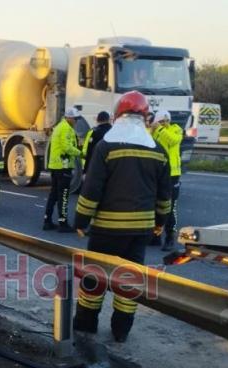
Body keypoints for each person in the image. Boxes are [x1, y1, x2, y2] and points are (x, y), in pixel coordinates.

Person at [72, 91, 172, 342]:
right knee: (129, 281)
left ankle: (85, 326)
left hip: (107, 229)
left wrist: (81, 221)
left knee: (95, 277)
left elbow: (92, 189)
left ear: (117, 115)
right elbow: (164, 196)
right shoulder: (158, 150)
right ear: (146, 117)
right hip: (140, 232)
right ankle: (121, 330)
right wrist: (160, 223)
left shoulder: (106, 147)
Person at [43, 108, 82, 232]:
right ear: (69, 118)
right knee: (63, 196)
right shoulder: (66, 128)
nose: (76, 121)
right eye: (75, 119)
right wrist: (80, 153)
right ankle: (63, 224)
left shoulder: (60, 126)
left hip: (56, 167)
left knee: (53, 195)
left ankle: (47, 221)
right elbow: (66, 147)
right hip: (63, 167)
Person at [149, 109, 183, 251]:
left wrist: (160, 128)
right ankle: (156, 235)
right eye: (162, 121)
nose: (165, 123)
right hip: (158, 173)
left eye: (167, 120)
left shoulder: (176, 130)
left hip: (173, 174)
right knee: (155, 205)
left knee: (170, 207)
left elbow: (173, 140)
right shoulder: (155, 132)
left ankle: (170, 237)